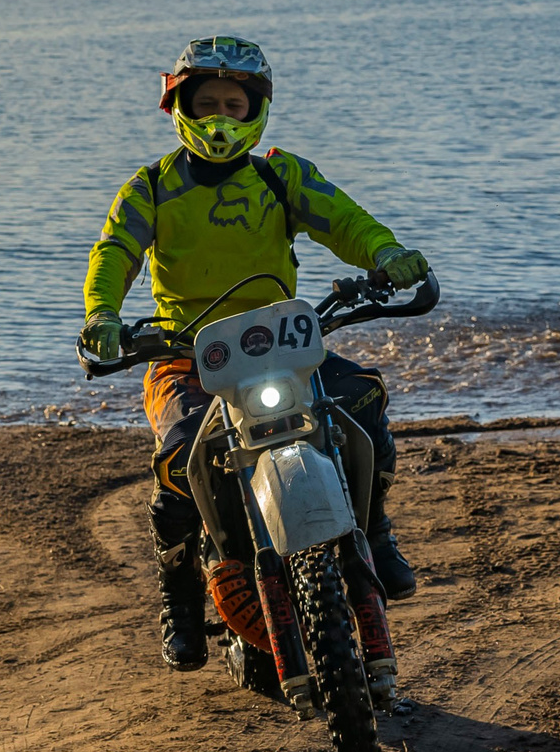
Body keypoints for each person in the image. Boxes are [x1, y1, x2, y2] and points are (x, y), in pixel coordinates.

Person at [80, 34, 430, 674]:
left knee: (364, 401)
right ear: (180, 106)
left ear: (255, 110)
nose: (220, 117)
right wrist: (103, 316)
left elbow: (343, 219)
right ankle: (181, 597)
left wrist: (386, 254)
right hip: (186, 354)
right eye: (206, 103)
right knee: (180, 456)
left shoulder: (280, 174)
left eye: (233, 105)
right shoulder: (150, 188)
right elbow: (114, 252)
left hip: (284, 345)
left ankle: (375, 529)